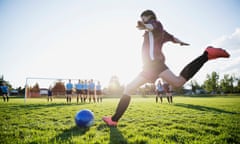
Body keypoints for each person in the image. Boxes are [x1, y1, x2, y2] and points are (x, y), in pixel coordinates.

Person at [102, 9, 230, 126]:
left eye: (143, 18)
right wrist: (180, 42)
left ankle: (207, 54)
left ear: (149, 17)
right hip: (149, 68)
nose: (142, 20)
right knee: (133, 87)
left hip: (155, 65)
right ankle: (114, 120)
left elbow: (153, 26)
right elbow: (172, 38)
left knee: (176, 82)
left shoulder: (156, 24)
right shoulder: (160, 32)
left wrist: (145, 26)